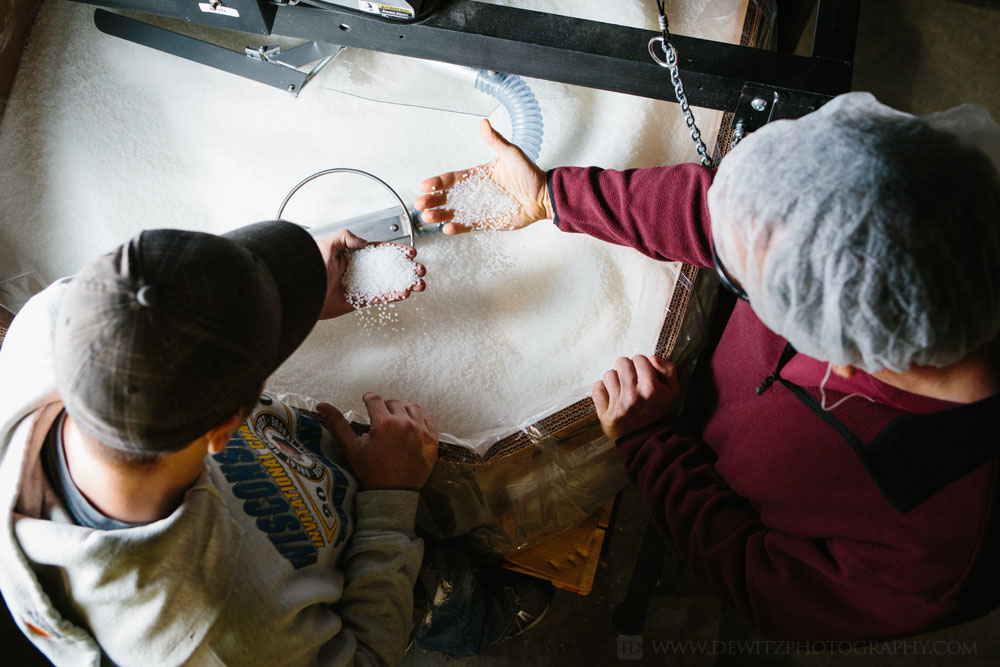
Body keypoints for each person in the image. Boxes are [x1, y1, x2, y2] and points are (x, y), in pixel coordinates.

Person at [414, 92, 1000, 640]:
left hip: (713, 476)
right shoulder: (942, 228)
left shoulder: (938, 554)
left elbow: (756, 576)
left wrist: (652, 448)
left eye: (759, 289)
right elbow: (753, 219)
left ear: (839, 365)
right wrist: (552, 198)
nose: (738, 269)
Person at [0, 220, 547, 665]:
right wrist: (389, 501)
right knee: (430, 593)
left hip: (307, 478)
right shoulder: (218, 636)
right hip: (350, 560)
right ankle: (462, 617)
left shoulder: (54, 320)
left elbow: (169, 307)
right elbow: (364, 657)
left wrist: (284, 293)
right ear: (223, 429)